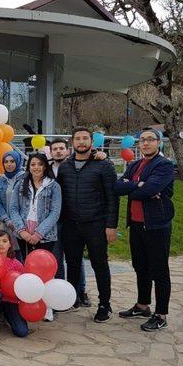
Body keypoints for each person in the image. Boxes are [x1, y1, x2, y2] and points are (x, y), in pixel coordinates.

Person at [56, 127, 119, 323]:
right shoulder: (65, 167)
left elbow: (112, 197)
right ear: (72, 142)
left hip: (96, 224)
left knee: (99, 264)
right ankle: (72, 298)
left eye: (85, 138)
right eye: (77, 139)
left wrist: (111, 225)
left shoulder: (104, 165)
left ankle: (104, 305)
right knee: (73, 263)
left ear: (92, 142)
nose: (81, 142)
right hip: (71, 225)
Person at [115, 128, 175, 331]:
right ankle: (142, 305)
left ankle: (161, 314)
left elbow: (150, 189)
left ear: (158, 142)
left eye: (150, 139)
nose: (146, 143)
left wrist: (138, 187)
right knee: (140, 266)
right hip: (137, 224)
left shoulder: (164, 165)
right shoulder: (134, 165)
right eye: (142, 140)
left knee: (159, 270)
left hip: (156, 224)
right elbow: (118, 187)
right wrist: (138, 184)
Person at [9, 152, 62, 322]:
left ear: (45, 166)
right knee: (27, 270)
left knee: (45, 272)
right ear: (28, 166)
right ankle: (28, 302)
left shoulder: (53, 186)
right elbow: (13, 210)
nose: (36, 167)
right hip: (24, 232)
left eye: (39, 164)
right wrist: (22, 230)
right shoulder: (20, 184)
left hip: (45, 235)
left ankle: (47, 307)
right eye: (33, 164)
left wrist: (39, 233)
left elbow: (55, 212)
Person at [49, 138, 90, 307]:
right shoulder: (46, 170)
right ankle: (62, 293)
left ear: (67, 150)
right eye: (55, 149)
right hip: (54, 222)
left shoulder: (75, 166)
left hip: (72, 220)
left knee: (75, 258)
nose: (58, 151)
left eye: (61, 148)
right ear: (50, 152)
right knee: (57, 259)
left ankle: (81, 291)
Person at [0, 229, 28, 338]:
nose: (1, 244)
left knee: (21, 332)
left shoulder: (17, 264)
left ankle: (6, 316)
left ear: (10, 244)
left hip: (11, 301)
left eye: (4, 241)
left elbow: (23, 285)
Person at [0, 150, 25, 259]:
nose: (9, 164)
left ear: (17, 162)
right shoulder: (2, 180)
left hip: (21, 224)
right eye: (6, 162)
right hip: (6, 224)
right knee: (6, 253)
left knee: (21, 255)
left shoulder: (25, 178)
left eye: (12, 161)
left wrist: (16, 221)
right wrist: (6, 219)